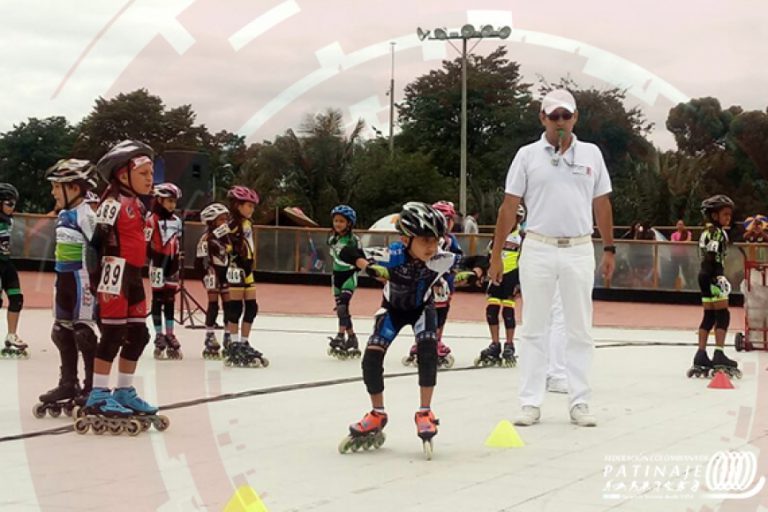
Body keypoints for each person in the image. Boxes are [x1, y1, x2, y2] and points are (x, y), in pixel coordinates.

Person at [489, 89, 615, 428]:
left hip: (578, 247)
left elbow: (601, 204)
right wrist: (497, 254)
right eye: (554, 116)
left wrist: (609, 248)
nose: (561, 122)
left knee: (579, 328)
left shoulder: (591, 153)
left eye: (566, 116)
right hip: (539, 247)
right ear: (542, 118)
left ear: (575, 118)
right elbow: (508, 206)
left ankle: (580, 402)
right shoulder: (527, 155)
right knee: (534, 328)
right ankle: (530, 402)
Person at [337, 202, 459, 457]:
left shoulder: (440, 259)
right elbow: (348, 251)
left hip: (422, 309)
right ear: (405, 239)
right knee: (371, 358)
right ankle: (377, 414)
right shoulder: (392, 255)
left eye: (435, 240)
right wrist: (367, 265)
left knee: (428, 352)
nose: (431, 247)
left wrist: (479, 270)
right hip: (392, 310)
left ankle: (424, 411)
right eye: (425, 240)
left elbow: (472, 261)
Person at [79, 140, 167, 435]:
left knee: (139, 334)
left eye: (151, 173)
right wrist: (95, 282)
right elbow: (94, 246)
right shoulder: (112, 203)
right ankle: (98, 394)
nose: (149, 179)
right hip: (113, 273)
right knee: (114, 333)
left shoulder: (139, 205)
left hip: (134, 276)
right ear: (122, 174)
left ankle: (124, 390)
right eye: (143, 173)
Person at [34, 160, 99, 417]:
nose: (52, 192)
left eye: (56, 187)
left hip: (81, 278)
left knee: (83, 331)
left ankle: (93, 385)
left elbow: (98, 250)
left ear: (72, 187)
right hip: (63, 279)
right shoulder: (63, 213)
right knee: (61, 331)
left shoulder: (87, 215)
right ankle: (68, 383)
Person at [687, 195, 741, 378]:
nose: (729, 218)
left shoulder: (704, 232)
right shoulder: (717, 233)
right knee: (723, 315)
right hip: (712, 274)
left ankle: (701, 354)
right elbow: (712, 254)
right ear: (714, 215)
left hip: (702, 274)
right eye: (725, 214)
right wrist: (718, 276)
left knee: (709, 315)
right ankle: (719, 353)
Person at [403, 200, 462, 369]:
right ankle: (423, 340)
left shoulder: (451, 240)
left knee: (441, 313)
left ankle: (436, 339)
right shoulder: (428, 240)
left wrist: (456, 269)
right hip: (428, 282)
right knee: (424, 312)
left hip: (445, 283)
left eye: (449, 219)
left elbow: (457, 257)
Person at [475, 204, 526, 367]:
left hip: (512, 275)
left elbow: (525, 260)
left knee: (508, 312)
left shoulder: (522, 237)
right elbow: (489, 254)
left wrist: (520, 282)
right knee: (491, 310)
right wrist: (483, 271)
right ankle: (495, 343)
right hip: (496, 275)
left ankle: (509, 344)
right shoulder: (497, 235)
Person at [224, 185, 268, 368]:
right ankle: (233, 344)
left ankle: (244, 341)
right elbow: (217, 241)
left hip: (248, 269)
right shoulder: (231, 224)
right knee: (235, 308)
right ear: (237, 205)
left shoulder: (248, 223)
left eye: (253, 206)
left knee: (251, 307)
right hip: (236, 267)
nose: (251, 209)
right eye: (248, 206)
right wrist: (230, 253)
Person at [147, 183, 183, 360]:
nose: (172, 205)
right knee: (158, 299)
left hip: (173, 264)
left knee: (170, 299)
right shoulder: (151, 219)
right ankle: (159, 334)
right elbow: (146, 243)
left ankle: (170, 333)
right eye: (169, 201)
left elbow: (178, 243)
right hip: (157, 263)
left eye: (174, 202)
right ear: (159, 200)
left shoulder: (177, 221)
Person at [196, 202, 232, 359]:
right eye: (220, 220)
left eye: (226, 219)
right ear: (211, 222)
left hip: (226, 273)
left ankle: (228, 334)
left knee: (229, 306)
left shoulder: (227, 238)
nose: (224, 223)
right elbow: (198, 261)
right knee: (213, 305)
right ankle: (209, 335)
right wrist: (204, 276)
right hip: (212, 272)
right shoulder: (205, 239)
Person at [327, 204, 362, 359]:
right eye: (336, 221)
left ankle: (340, 336)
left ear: (349, 223)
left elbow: (360, 258)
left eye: (341, 221)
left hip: (349, 275)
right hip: (336, 277)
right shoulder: (332, 239)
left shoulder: (353, 240)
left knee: (342, 308)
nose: (337, 224)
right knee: (343, 310)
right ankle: (352, 338)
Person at [0, 183, 28, 359]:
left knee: (16, 298)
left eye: (14, 204)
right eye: (9, 203)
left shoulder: (8, 220)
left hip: (6, 263)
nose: (13, 207)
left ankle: (11, 335)